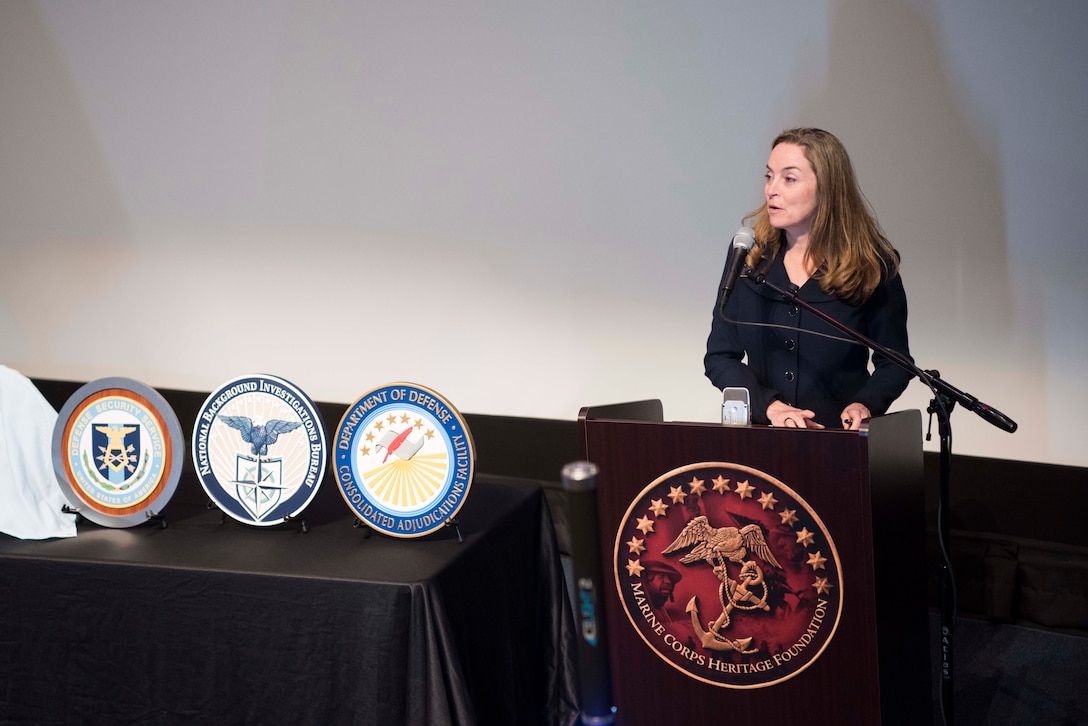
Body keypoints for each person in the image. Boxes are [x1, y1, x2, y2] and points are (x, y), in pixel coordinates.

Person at [705, 128, 912, 430]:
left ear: (827, 189)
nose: (771, 189)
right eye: (769, 177)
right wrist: (770, 407)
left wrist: (865, 404)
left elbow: (895, 362)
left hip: (838, 444)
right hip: (764, 440)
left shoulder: (871, 265)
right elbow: (720, 357)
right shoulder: (749, 256)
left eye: (788, 179)